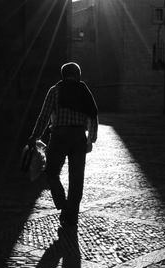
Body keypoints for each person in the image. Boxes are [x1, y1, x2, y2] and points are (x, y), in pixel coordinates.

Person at [28, 62, 98, 227]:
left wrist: (35, 136)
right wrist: (91, 139)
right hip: (79, 138)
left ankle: (62, 203)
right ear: (78, 74)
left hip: (59, 136)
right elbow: (93, 115)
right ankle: (71, 214)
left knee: (51, 172)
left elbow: (44, 116)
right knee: (76, 179)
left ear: (63, 74)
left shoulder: (55, 90)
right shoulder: (83, 91)